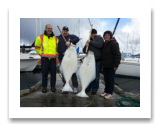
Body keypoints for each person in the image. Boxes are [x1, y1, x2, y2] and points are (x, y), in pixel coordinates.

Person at [34, 24, 59, 93]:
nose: (50, 29)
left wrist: (56, 55)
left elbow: (58, 48)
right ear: (45, 29)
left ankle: (53, 86)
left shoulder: (56, 39)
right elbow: (36, 47)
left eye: (51, 28)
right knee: (44, 74)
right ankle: (44, 87)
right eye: (48, 28)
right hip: (44, 59)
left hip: (53, 60)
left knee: (53, 74)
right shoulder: (40, 37)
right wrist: (41, 54)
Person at [57, 26, 80, 93]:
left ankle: (75, 86)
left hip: (71, 58)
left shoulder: (72, 36)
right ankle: (65, 85)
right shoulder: (58, 37)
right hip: (62, 58)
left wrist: (70, 42)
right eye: (64, 31)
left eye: (66, 31)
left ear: (68, 31)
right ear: (62, 31)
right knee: (64, 72)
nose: (65, 32)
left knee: (73, 72)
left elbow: (77, 38)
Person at [83, 29, 104, 95]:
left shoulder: (99, 38)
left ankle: (94, 89)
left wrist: (90, 42)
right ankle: (88, 88)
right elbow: (84, 51)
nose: (92, 35)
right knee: (89, 75)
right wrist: (86, 46)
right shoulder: (89, 40)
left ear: (96, 33)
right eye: (91, 33)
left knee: (96, 76)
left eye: (94, 33)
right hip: (89, 62)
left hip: (97, 61)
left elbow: (100, 45)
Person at [100, 30, 121, 99]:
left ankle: (110, 92)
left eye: (108, 35)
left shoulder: (113, 43)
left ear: (110, 36)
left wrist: (116, 65)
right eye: (105, 35)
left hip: (111, 66)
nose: (106, 36)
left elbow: (117, 54)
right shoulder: (104, 44)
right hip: (105, 65)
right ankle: (106, 91)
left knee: (111, 80)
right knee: (106, 79)